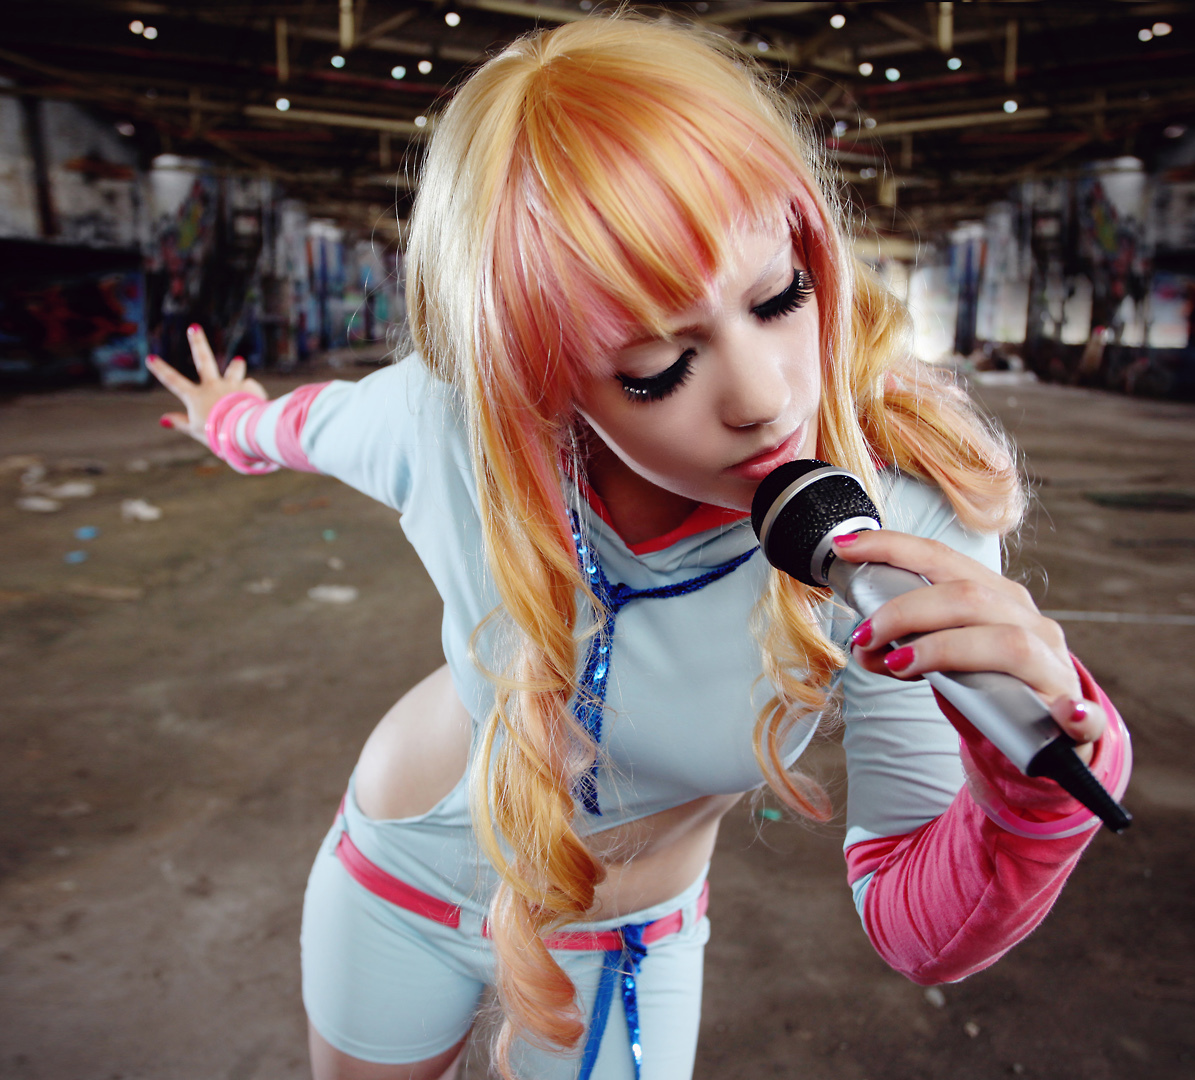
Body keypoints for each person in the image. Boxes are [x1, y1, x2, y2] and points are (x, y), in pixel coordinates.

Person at [146, 15, 1130, 1080]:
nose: (765, 398)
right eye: (658, 365)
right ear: (537, 372)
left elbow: (914, 926)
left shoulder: (904, 506)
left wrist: (1030, 800)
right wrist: (222, 416)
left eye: (778, 296)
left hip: (628, 941)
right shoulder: (450, 423)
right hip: (399, 873)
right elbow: (292, 427)